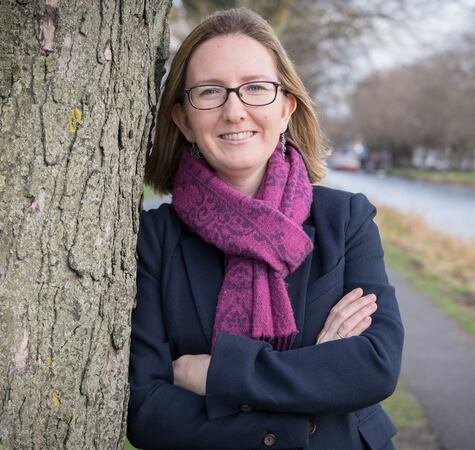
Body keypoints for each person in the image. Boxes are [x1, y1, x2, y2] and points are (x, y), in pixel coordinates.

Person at [127, 8, 404, 449]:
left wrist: (220, 374)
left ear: (286, 109)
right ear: (182, 119)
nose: (234, 111)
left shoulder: (345, 219)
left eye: (255, 88)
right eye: (210, 92)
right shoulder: (155, 240)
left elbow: (375, 364)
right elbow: (147, 410)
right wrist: (314, 379)